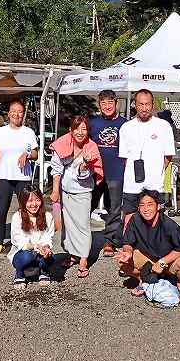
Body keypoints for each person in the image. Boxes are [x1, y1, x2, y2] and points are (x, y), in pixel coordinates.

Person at [50, 116, 103, 278]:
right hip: (66, 191)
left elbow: (87, 174)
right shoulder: (62, 143)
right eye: (77, 128)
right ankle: (72, 254)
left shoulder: (92, 147)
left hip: (83, 192)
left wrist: (85, 164)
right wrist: (55, 191)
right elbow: (56, 169)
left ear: (88, 131)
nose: (80, 132)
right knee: (69, 226)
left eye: (84, 129)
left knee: (83, 226)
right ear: (71, 130)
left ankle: (83, 259)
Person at [116, 190, 180, 302]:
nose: (146, 209)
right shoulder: (135, 219)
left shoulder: (169, 225)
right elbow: (128, 242)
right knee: (122, 261)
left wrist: (162, 262)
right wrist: (127, 251)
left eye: (150, 204)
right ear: (138, 207)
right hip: (149, 260)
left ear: (158, 206)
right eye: (142, 205)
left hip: (169, 262)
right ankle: (143, 280)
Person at [118, 89, 176, 223]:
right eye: (141, 104)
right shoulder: (126, 128)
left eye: (147, 104)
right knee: (129, 219)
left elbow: (168, 156)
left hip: (155, 185)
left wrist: (155, 171)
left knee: (155, 222)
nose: (144, 108)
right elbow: (124, 159)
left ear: (153, 104)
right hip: (131, 185)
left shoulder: (164, 126)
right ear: (134, 104)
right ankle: (128, 244)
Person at [0, 99, 38, 255]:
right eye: (14, 111)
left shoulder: (28, 132)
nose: (17, 114)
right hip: (4, 177)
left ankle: (27, 238)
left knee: (26, 209)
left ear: (23, 114)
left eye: (20, 111)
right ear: (8, 113)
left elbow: (36, 154)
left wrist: (28, 154)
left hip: (23, 177)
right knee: (2, 210)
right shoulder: (0, 132)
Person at [88, 90, 127, 258]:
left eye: (110, 102)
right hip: (94, 172)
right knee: (87, 206)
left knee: (114, 209)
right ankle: (82, 241)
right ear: (99, 105)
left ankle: (110, 242)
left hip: (116, 172)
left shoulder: (125, 124)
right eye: (103, 103)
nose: (107, 106)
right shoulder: (92, 123)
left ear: (116, 103)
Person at [9, 185, 55, 289]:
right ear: (23, 202)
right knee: (27, 256)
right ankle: (19, 274)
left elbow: (48, 237)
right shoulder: (17, 217)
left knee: (51, 257)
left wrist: (47, 248)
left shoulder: (48, 216)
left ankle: (44, 271)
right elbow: (20, 242)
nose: (34, 204)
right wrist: (36, 247)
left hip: (40, 253)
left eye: (37, 200)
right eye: (29, 201)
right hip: (23, 253)